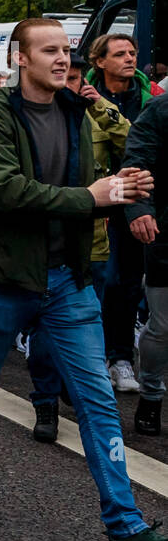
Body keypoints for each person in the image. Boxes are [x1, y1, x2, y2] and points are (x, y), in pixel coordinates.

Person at [0, 18, 168, 541]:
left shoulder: (78, 109)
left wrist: (124, 192)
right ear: (20, 59)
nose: (62, 59)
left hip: (67, 281)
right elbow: (7, 190)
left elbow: (108, 168)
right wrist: (92, 196)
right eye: (49, 51)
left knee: (97, 401)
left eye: (66, 50)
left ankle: (126, 530)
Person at [24, 55, 128, 441]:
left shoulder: (93, 115)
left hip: (92, 243)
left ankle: (78, 391)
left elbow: (132, 140)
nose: (69, 84)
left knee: (89, 325)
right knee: (46, 332)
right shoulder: (34, 118)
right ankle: (45, 401)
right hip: (46, 242)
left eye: (74, 78)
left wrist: (98, 103)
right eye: (64, 78)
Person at [87, 33, 160, 394]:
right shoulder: (82, 94)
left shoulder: (150, 99)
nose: (129, 58)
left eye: (132, 52)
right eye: (119, 54)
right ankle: (94, 356)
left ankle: (121, 359)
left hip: (136, 199)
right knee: (103, 279)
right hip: (96, 199)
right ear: (100, 61)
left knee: (129, 282)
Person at [122, 67, 168, 435]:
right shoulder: (159, 111)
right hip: (166, 234)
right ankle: (151, 393)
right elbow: (136, 162)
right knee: (163, 326)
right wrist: (140, 210)